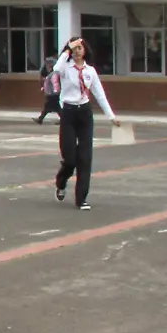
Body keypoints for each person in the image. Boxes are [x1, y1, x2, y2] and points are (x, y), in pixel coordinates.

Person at [54, 37, 121, 210]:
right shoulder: (65, 68)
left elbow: (100, 94)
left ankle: (81, 198)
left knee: (85, 157)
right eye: (74, 48)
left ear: (85, 50)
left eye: (80, 48)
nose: (77, 51)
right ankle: (61, 182)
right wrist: (67, 51)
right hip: (68, 113)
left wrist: (111, 116)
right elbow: (56, 68)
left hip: (84, 113)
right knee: (70, 158)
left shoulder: (90, 71)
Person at [34, 52, 64, 124]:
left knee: (51, 107)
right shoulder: (51, 74)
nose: (47, 67)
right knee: (52, 108)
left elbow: (55, 83)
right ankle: (40, 119)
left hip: (53, 94)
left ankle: (40, 119)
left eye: (49, 65)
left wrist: (56, 92)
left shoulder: (53, 74)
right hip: (51, 94)